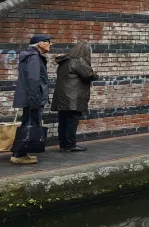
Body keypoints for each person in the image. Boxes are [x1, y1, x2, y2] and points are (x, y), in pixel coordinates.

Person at [11, 33, 52, 165]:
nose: (50, 44)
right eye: (48, 41)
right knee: (29, 125)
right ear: (40, 44)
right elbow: (33, 80)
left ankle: (22, 153)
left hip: (30, 97)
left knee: (28, 124)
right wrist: (35, 101)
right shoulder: (34, 57)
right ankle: (19, 155)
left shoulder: (30, 56)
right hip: (33, 99)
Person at [51, 41, 97, 152]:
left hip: (62, 97)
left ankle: (63, 144)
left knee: (63, 121)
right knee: (72, 121)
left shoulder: (64, 61)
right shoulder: (79, 61)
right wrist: (96, 75)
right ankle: (71, 145)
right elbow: (89, 75)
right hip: (73, 97)